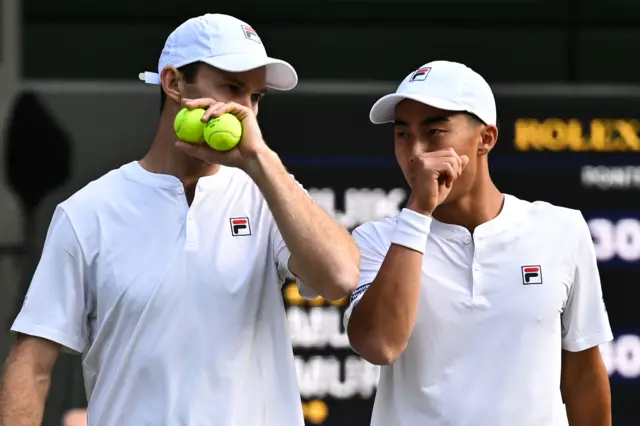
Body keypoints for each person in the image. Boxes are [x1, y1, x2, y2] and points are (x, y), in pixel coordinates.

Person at [0, 14, 359, 426]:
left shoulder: (269, 192)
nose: (245, 111)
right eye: (231, 88)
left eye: (256, 97)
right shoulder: (87, 212)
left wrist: (262, 161)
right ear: (173, 84)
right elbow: (32, 366)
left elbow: (341, 277)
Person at [344, 60, 612, 426]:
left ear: (486, 138)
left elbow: (582, 373)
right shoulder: (375, 239)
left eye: (435, 131)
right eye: (402, 134)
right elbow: (379, 345)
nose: (415, 153)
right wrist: (420, 210)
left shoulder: (562, 228)